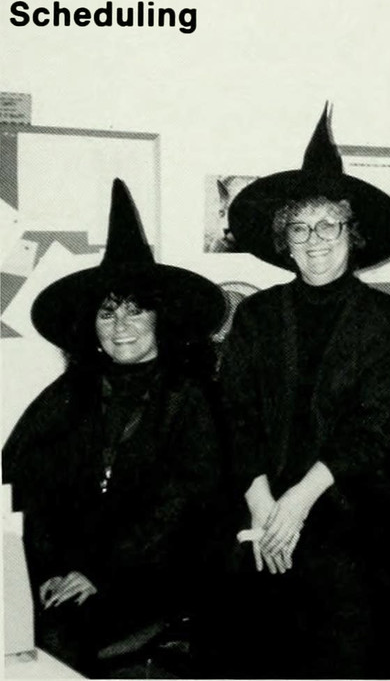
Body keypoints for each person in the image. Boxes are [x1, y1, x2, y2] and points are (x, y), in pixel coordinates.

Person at [1, 179, 226, 676]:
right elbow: (25, 481)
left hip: (158, 575)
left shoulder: (190, 397)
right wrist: (45, 567)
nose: (120, 325)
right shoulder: (71, 392)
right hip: (71, 574)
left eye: (135, 310)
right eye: (107, 312)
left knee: (67, 643)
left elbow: (182, 504)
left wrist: (99, 571)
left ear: (161, 319)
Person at [214, 104, 390, 678]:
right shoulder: (256, 316)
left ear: (352, 234)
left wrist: (297, 503)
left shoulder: (385, 319)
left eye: (329, 225)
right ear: (286, 242)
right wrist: (264, 507)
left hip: (349, 518)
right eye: (300, 228)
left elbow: (376, 426)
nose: (315, 239)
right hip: (259, 508)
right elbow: (235, 413)